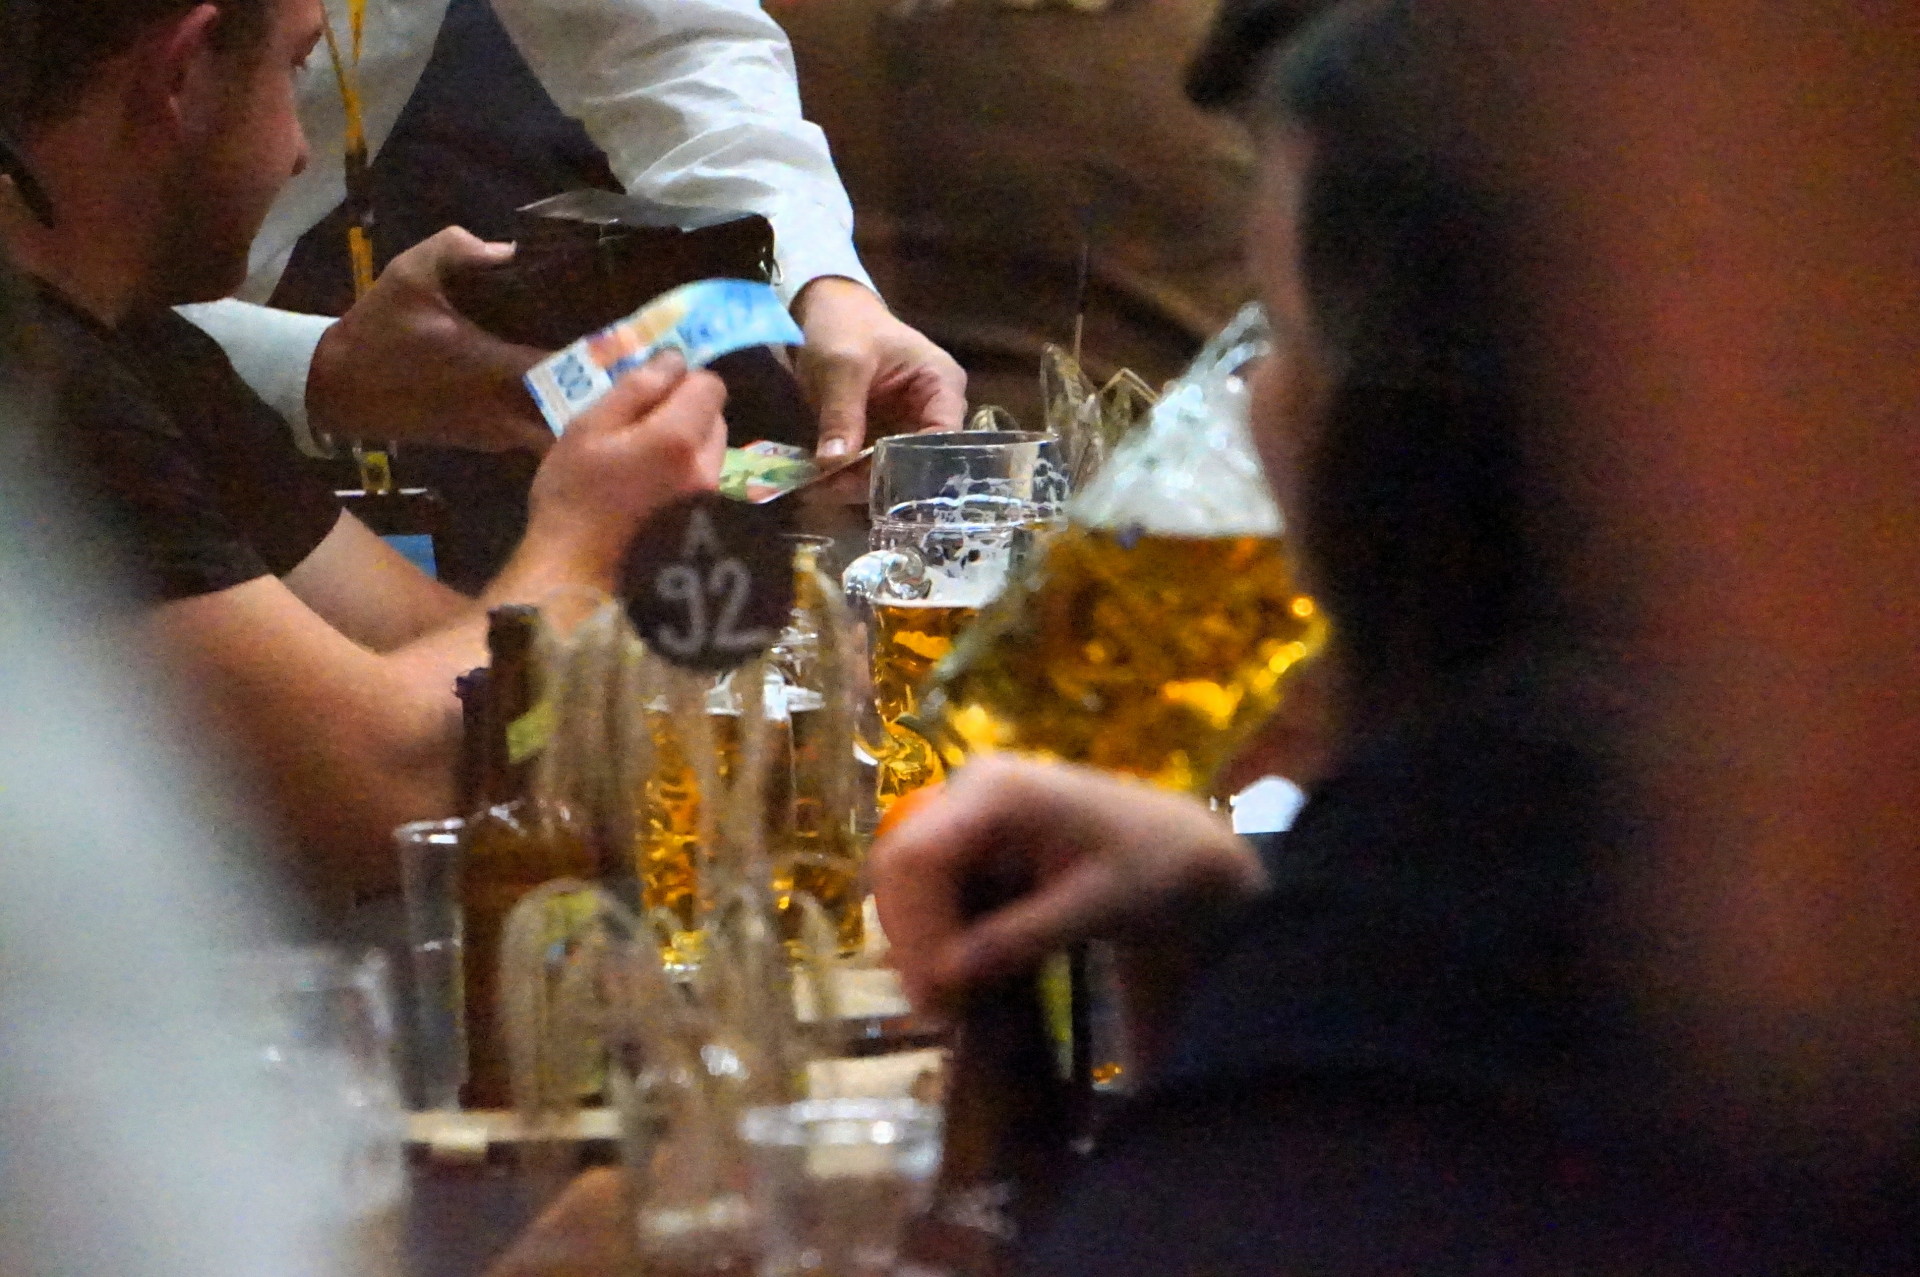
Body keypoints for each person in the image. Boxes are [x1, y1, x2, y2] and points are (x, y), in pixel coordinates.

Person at [871, 1, 1916, 1272]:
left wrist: (1331, 966)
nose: (1243, 409)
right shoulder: (1588, 857)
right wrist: (1228, 928)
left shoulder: (1486, 894)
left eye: (1277, 330)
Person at [0, 0, 726, 910]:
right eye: (296, 69)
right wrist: (588, 538)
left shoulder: (143, 348)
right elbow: (387, 785)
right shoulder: (36, 388)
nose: (301, 154)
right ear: (180, 74)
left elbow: (426, 642)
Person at [171, 0, 967, 464]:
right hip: (127, 385)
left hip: (197, 386)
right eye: (300, 60)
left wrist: (820, 281)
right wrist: (317, 367)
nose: (299, 152)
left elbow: (665, 35)